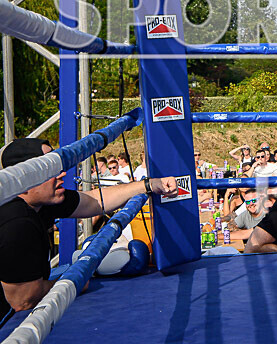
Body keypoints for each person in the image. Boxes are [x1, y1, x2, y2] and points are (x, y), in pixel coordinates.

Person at [0, 138, 177, 327]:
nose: (61, 173)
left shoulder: (41, 201)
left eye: (57, 165)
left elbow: (95, 201)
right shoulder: (17, 221)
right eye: (49, 168)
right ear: (24, 179)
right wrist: (73, 281)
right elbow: (23, 299)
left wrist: (148, 185)